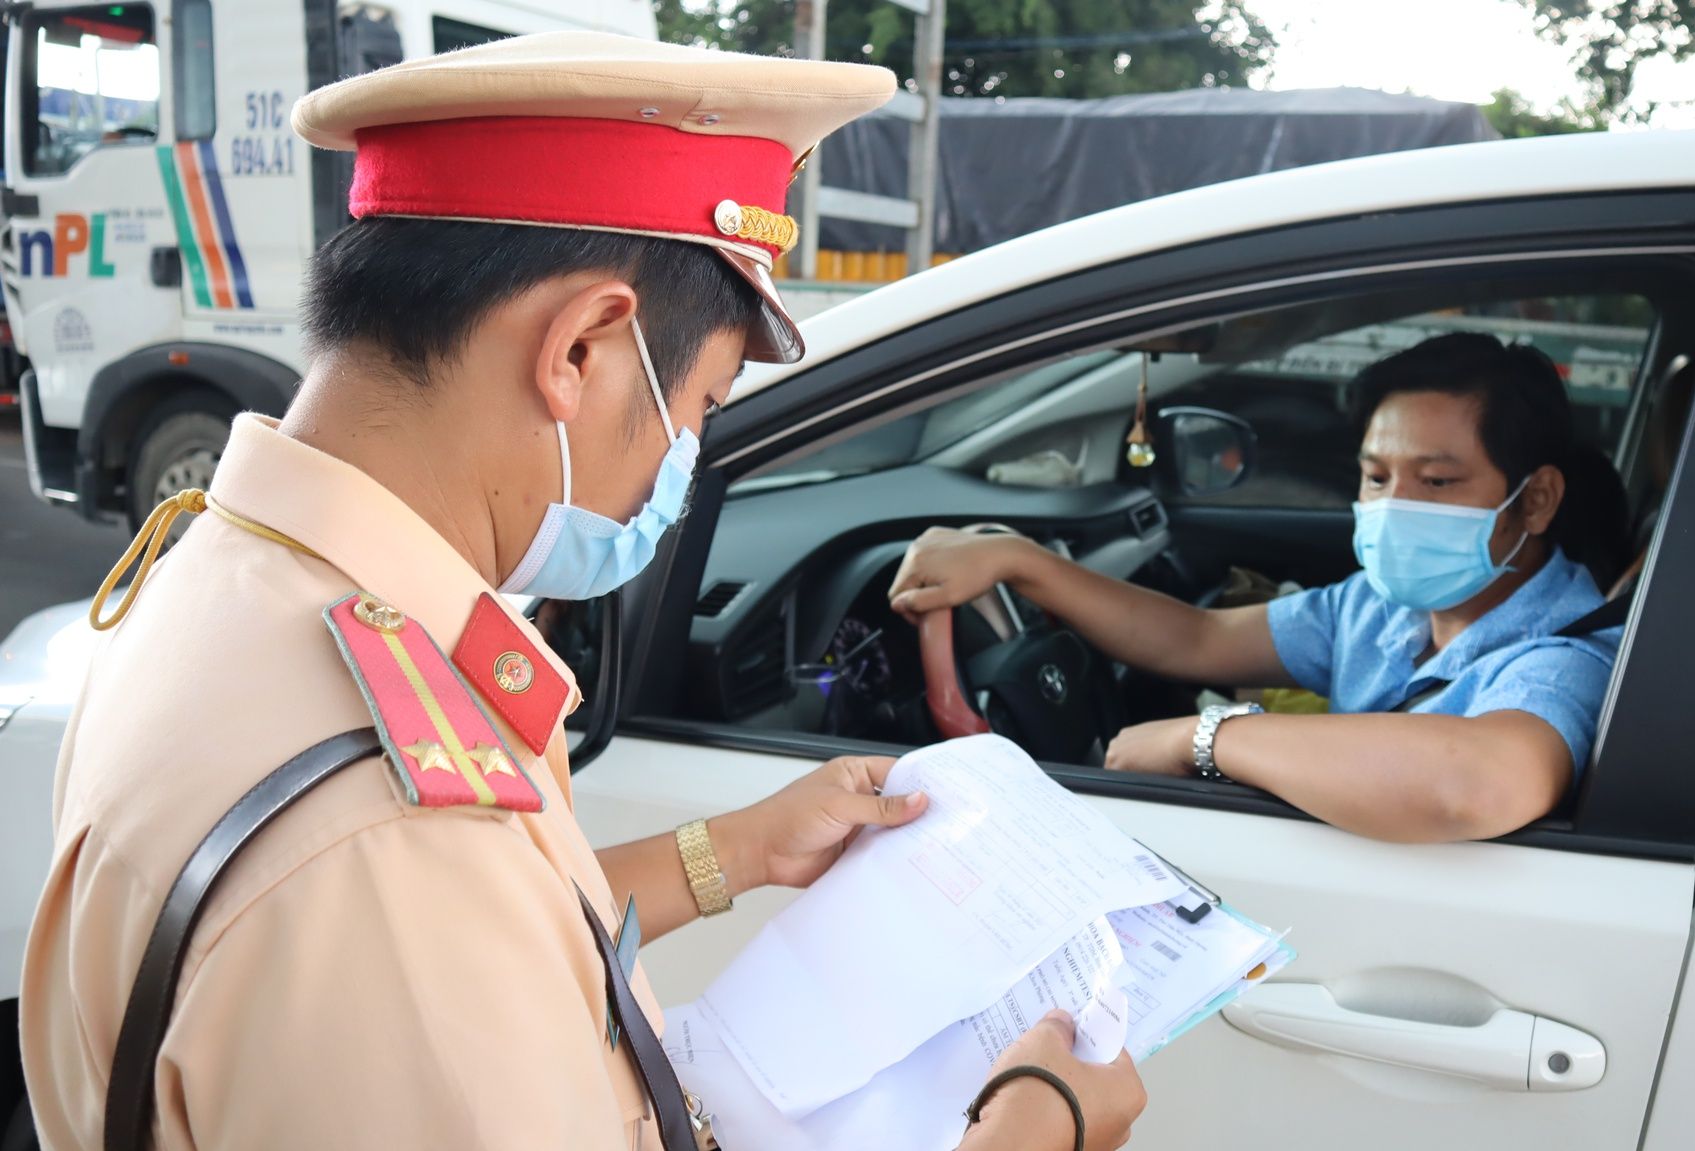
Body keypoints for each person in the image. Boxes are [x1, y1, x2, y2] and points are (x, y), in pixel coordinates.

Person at [20, 33, 1142, 1151]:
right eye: (699, 404)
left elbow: (485, 945)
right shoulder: (383, 838)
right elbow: (416, 926)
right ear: (582, 350)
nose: (683, 456)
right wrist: (1025, 1131)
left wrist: (737, 853)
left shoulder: (226, 575)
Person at [890, 333, 1628, 843]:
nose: (1392, 507)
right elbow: (1196, 638)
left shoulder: (1569, 656)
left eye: (1436, 481)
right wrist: (1020, 560)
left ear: (1534, 501)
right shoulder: (1383, 608)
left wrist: (1204, 738)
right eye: (1376, 477)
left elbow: (1478, 783)